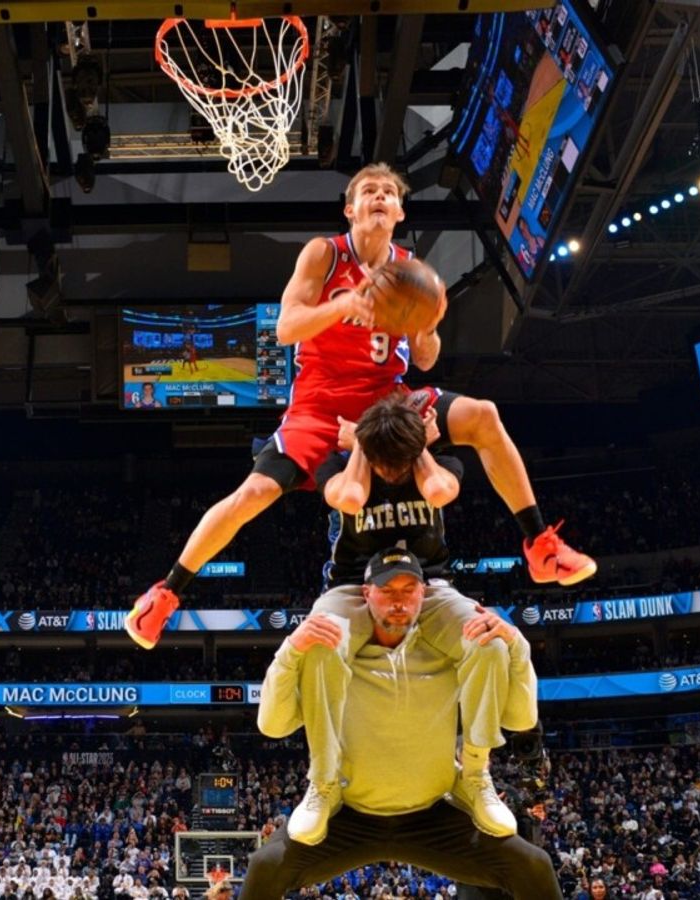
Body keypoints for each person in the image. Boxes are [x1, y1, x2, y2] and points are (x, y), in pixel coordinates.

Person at [126, 162, 596, 648]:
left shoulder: (412, 272)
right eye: (368, 190)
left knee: (484, 416)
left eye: (388, 193)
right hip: (320, 404)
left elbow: (427, 359)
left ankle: (541, 546)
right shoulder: (324, 255)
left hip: (389, 400)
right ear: (350, 209)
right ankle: (165, 594)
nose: (378, 196)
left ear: (398, 211)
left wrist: (427, 327)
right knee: (255, 494)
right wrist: (345, 305)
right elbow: (286, 328)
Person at [233, 546, 559, 900]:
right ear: (366, 594)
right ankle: (322, 785)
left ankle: (475, 779)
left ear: (425, 594)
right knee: (265, 865)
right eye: (387, 591)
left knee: (533, 866)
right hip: (350, 814)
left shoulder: (453, 649)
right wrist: (290, 650)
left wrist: (517, 645)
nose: (398, 602)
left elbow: (521, 719)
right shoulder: (332, 652)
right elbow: (273, 725)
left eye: (408, 590)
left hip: (432, 814)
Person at [289, 393, 528, 844]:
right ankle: (322, 782)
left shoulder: (435, 465)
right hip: (352, 587)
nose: (392, 474)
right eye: (385, 463)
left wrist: (420, 448)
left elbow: (439, 490)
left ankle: (475, 774)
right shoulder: (341, 467)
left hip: (430, 586)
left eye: (400, 463)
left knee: (488, 641)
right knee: (318, 646)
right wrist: (361, 446)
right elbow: (350, 498)